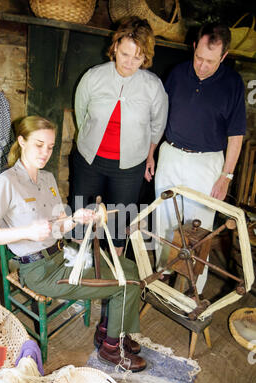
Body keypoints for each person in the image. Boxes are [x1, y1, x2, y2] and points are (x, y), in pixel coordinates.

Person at [0, 115, 146, 372]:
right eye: (39, 144)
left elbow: (59, 225)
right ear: (21, 141)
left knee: (129, 268)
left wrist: (77, 219)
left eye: (50, 146)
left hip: (64, 253)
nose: (45, 152)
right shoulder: (4, 183)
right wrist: (28, 231)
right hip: (39, 270)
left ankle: (107, 331)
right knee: (126, 284)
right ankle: (112, 348)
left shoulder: (47, 179)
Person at [154, 23, 246, 294]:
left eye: (210, 61)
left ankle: (193, 288)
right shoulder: (177, 73)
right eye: (199, 58)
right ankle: (163, 274)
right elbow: (159, 115)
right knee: (164, 218)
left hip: (207, 163)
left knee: (199, 228)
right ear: (194, 47)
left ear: (224, 56)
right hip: (170, 155)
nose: (202, 66)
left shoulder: (232, 84)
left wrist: (226, 176)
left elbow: (236, 136)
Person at [72, 16, 168, 256]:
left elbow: (158, 125)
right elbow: (81, 113)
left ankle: (116, 279)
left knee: (118, 223)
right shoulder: (93, 76)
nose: (129, 63)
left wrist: (150, 155)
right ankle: (78, 271)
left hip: (129, 167)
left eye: (138, 58)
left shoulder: (153, 86)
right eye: (125, 54)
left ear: (145, 58)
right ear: (114, 47)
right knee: (82, 218)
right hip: (89, 160)